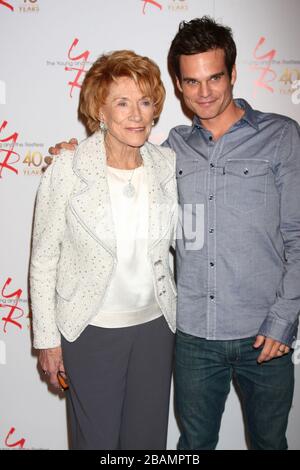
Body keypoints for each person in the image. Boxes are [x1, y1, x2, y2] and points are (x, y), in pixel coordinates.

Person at [48, 17, 300, 450]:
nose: (204, 92)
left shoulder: (281, 137)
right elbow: (116, 158)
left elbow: (297, 236)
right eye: (191, 81)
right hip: (193, 337)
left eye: (214, 77)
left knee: (269, 443)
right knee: (191, 446)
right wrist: (75, 152)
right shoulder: (169, 152)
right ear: (179, 86)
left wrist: (283, 322)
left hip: (265, 334)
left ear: (233, 74)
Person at [30, 50, 178, 450]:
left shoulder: (167, 164)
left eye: (145, 102)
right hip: (92, 332)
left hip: (155, 330)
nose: (136, 114)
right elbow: (44, 260)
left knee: (147, 445)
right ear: (100, 109)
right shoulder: (68, 168)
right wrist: (47, 341)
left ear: (155, 110)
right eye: (122, 102)